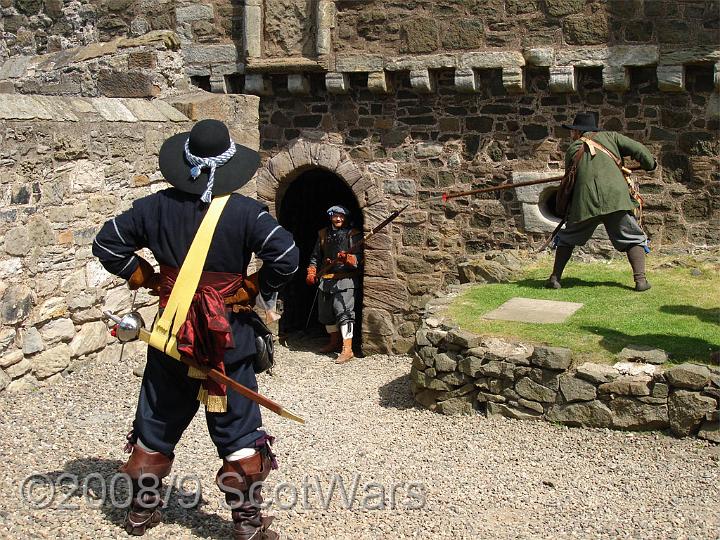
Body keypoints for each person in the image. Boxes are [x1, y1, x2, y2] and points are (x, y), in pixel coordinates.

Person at [92, 119, 298, 539]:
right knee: (238, 427)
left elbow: (106, 244)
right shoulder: (245, 213)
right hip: (226, 341)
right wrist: (252, 289)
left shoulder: (152, 208)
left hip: (170, 335)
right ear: (227, 165)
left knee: (157, 418)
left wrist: (146, 277)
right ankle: (246, 525)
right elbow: (288, 257)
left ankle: (140, 512)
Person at [547, 112, 657, 292]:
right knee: (632, 237)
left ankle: (555, 278)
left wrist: (570, 209)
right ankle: (641, 281)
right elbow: (639, 149)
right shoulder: (612, 137)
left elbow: (569, 183)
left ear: (577, 131)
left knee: (567, 239)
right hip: (615, 199)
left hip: (585, 202)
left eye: (572, 131)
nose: (571, 134)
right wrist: (650, 164)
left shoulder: (574, 149)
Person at [306, 205, 363, 364]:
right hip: (327, 279)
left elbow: (361, 260)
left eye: (341, 216)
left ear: (346, 218)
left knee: (344, 313)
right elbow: (315, 256)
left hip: (346, 279)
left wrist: (348, 259)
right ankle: (334, 341)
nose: (338, 219)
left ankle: (347, 348)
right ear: (330, 217)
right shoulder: (323, 234)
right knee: (326, 314)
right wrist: (311, 271)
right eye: (335, 216)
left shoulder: (354, 234)